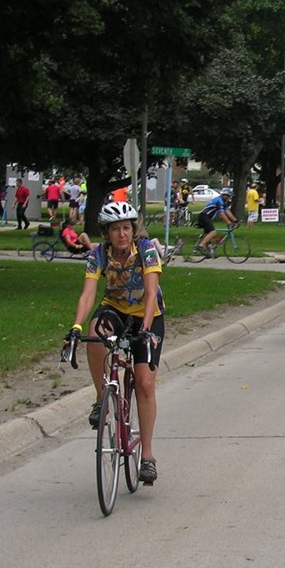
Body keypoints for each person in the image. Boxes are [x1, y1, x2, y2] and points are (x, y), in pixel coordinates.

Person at [66, 200, 164, 484]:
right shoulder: (98, 254)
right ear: (106, 232)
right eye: (115, 229)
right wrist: (75, 325)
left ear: (133, 230)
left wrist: (145, 328)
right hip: (115, 308)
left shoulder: (145, 251)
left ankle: (147, 456)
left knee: (145, 384)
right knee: (95, 333)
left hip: (148, 314)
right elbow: (88, 294)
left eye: (126, 228)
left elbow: (150, 290)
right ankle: (101, 398)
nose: (121, 234)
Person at [195, 186, 235, 255]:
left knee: (208, 234)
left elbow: (227, 211)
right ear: (225, 195)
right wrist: (229, 223)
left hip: (206, 217)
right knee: (213, 232)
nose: (229, 198)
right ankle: (200, 246)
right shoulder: (219, 201)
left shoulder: (223, 201)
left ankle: (208, 253)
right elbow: (221, 214)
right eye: (229, 196)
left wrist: (235, 220)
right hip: (204, 216)